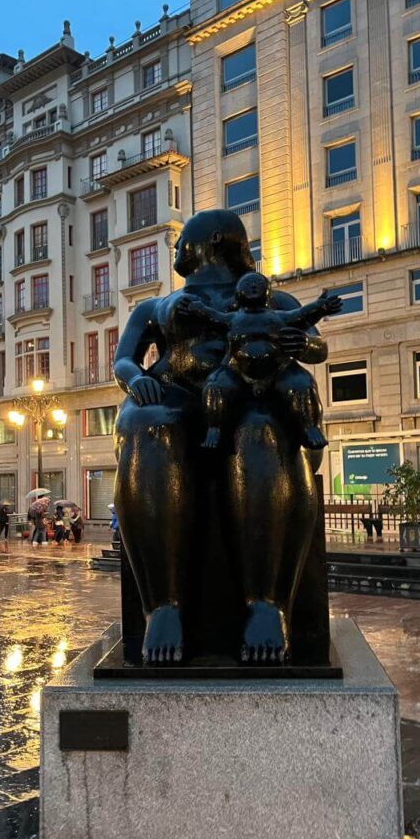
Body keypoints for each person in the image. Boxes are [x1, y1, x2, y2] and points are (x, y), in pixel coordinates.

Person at [113, 209, 329, 663]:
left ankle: (267, 603)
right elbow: (124, 359)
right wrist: (136, 381)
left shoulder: (273, 297)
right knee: (149, 425)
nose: (174, 252)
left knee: (260, 431)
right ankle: (162, 605)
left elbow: (311, 342)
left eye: (180, 243)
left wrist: (297, 345)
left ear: (211, 241)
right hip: (173, 395)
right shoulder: (154, 307)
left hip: (253, 395)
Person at [176, 272, 342, 450]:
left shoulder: (280, 316)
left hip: (279, 369)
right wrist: (196, 308)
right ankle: (214, 428)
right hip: (236, 370)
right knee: (215, 387)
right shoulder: (232, 318)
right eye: (248, 284)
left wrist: (322, 307)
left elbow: (304, 314)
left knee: (302, 385)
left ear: (267, 293)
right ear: (239, 293)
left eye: (257, 283)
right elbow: (210, 316)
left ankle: (311, 427)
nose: (253, 286)